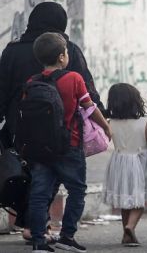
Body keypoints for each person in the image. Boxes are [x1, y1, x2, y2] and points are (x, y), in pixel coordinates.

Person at [0, 1, 105, 239]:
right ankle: (37, 226)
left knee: (27, 173)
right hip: (60, 129)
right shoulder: (67, 49)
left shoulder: (13, 50)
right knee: (52, 176)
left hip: (21, 128)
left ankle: (34, 224)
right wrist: (102, 118)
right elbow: (86, 89)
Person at [27, 32, 111, 253]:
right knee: (77, 190)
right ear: (63, 57)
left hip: (40, 148)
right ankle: (67, 237)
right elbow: (89, 107)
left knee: (39, 193)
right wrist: (106, 126)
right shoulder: (74, 78)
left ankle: (39, 241)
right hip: (70, 145)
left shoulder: (31, 82)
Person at [102, 83, 147, 247]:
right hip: (140, 163)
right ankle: (130, 227)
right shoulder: (142, 121)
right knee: (140, 199)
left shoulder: (110, 122)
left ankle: (126, 235)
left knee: (126, 200)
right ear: (134, 101)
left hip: (119, 163)